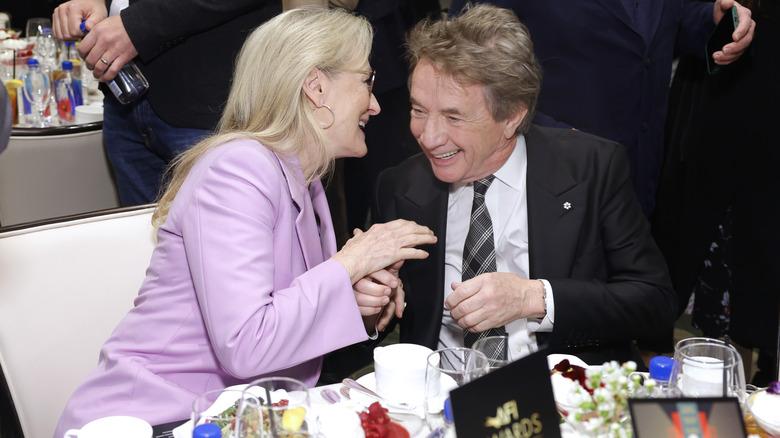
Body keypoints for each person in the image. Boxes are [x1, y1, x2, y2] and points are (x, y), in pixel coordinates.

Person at [54, 7, 437, 435]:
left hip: (247, 416)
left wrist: (358, 303)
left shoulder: (305, 181)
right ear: (316, 87)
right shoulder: (238, 168)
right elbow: (247, 345)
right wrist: (350, 263)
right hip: (156, 418)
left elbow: (289, 318)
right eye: (366, 82)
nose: (376, 103)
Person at [371, 4, 677, 366]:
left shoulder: (593, 169)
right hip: (439, 396)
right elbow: (360, 340)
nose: (429, 137)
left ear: (511, 116)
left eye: (454, 116)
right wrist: (367, 310)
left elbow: (654, 304)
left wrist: (535, 299)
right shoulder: (400, 186)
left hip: (559, 391)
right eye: (418, 110)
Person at [447, 0, 755, 219]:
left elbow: (661, 20)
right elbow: (467, 58)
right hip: (548, 180)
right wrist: (551, 136)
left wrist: (711, 20)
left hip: (640, 178)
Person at [653, 0, 780, 385]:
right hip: (716, 101)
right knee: (710, 262)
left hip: (756, 111)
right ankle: (715, 386)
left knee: (753, 270)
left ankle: (750, 384)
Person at [51, 0, 282, 206]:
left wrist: (136, 25)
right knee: (138, 244)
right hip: (124, 97)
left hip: (213, 100)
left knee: (226, 245)